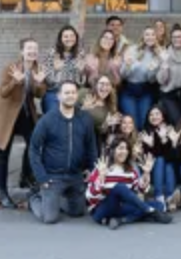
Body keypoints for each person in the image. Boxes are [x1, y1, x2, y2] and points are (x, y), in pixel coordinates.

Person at [29, 80, 98, 224]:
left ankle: (55, 200)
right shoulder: (47, 120)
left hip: (75, 175)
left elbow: (91, 146)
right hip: (53, 176)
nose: (70, 96)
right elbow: (33, 149)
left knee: (78, 212)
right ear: (58, 96)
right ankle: (35, 198)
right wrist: (41, 177)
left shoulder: (85, 119)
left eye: (73, 92)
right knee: (50, 218)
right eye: (66, 93)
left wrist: (93, 170)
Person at [0, 38, 47, 207]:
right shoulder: (11, 67)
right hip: (8, 115)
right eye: (29, 48)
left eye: (35, 48)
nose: (32, 51)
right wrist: (16, 81)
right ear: (22, 51)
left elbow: (40, 94)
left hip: (27, 114)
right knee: (3, 153)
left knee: (33, 147)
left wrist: (39, 82)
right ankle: (2, 192)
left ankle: (25, 177)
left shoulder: (37, 69)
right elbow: (3, 92)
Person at [86, 138, 172, 229]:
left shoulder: (130, 170)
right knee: (120, 187)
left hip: (121, 208)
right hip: (102, 209)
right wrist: (101, 177)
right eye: (120, 148)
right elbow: (90, 196)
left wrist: (146, 174)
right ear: (112, 150)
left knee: (160, 205)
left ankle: (122, 220)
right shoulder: (101, 167)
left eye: (126, 149)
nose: (124, 152)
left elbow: (139, 189)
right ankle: (150, 212)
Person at [120, 27, 161, 131]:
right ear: (143, 36)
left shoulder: (157, 54)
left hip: (145, 90)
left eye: (153, 35)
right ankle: (132, 145)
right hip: (129, 90)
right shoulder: (132, 49)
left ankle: (141, 146)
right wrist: (130, 65)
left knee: (144, 122)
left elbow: (151, 80)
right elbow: (123, 74)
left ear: (156, 38)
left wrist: (152, 70)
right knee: (132, 122)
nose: (150, 37)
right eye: (147, 34)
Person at [139, 105, 177, 212]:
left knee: (168, 164)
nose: (154, 117)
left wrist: (165, 139)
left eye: (157, 114)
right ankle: (159, 196)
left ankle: (170, 197)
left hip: (168, 166)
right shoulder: (145, 132)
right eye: (151, 114)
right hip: (151, 167)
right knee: (160, 160)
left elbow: (172, 157)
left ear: (163, 116)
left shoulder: (169, 129)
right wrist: (150, 145)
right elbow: (148, 158)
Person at [41, 25, 85, 113]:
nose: (69, 39)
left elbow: (81, 83)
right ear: (60, 38)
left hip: (72, 92)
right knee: (54, 115)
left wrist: (80, 72)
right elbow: (48, 81)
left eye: (72, 36)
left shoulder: (80, 54)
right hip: (55, 92)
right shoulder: (52, 53)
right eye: (66, 36)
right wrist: (56, 71)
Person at [81, 75, 121, 152]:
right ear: (96, 85)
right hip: (78, 134)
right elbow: (69, 112)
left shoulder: (110, 106)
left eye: (107, 84)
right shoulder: (85, 94)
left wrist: (106, 124)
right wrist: (83, 108)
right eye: (102, 83)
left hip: (94, 140)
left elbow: (101, 131)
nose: (104, 87)